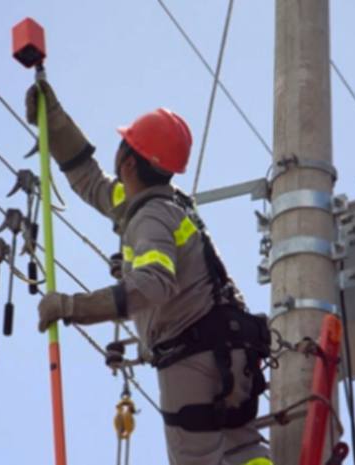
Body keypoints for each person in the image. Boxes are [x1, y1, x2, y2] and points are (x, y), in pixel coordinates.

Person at [26, 80, 273, 465]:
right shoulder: (160, 203)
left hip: (193, 360)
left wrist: (70, 307)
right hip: (233, 350)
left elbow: (152, 286)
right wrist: (53, 121)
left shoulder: (151, 218)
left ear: (128, 162)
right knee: (245, 451)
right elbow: (88, 179)